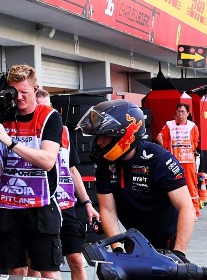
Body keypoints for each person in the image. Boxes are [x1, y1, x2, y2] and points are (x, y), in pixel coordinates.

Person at [0, 65, 63, 278]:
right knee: (16, 271)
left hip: (39, 205)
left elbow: (48, 161)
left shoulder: (49, 117)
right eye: (15, 92)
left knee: (49, 273)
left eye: (25, 92)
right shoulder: (4, 115)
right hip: (8, 205)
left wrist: (10, 142)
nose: (19, 97)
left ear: (36, 89)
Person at [81, 99, 195, 253]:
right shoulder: (105, 163)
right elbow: (107, 210)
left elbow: (186, 206)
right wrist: (117, 249)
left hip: (167, 242)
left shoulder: (159, 159)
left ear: (124, 136)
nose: (99, 142)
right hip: (134, 241)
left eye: (104, 136)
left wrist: (179, 252)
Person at [40, 90, 94, 280]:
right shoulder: (29, 133)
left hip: (66, 205)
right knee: (40, 265)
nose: (46, 112)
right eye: (41, 108)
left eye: (49, 108)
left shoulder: (63, 131)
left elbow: (72, 170)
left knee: (77, 259)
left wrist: (87, 202)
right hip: (42, 207)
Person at [158, 102, 203, 216]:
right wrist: (165, 150)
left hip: (188, 162)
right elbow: (159, 137)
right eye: (178, 112)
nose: (180, 114)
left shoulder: (193, 126)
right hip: (174, 161)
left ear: (188, 113)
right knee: (173, 185)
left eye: (183, 112)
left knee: (191, 185)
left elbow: (195, 143)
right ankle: (174, 211)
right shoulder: (169, 125)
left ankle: (195, 212)